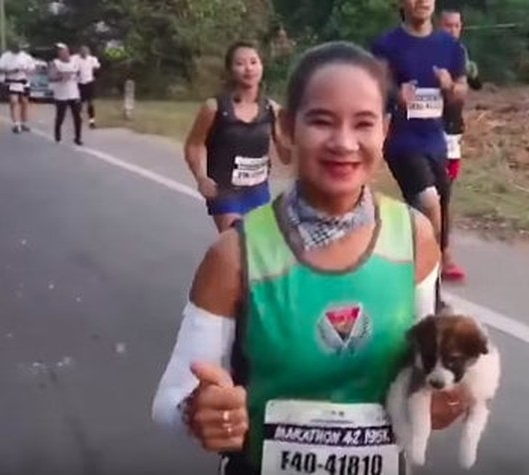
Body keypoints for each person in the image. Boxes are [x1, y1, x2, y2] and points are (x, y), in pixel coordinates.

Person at [151, 41, 468, 475]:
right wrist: (200, 411)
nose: (344, 142)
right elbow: (171, 401)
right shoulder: (235, 255)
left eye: (364, 123)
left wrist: (444, 396)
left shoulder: (415, 238)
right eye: (321, 121)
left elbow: (427, 368)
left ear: (385, 131)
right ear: (286, 128)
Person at [371, 0, 469, 294]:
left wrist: (451, 87)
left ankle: (406, 263)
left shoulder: (449, 47)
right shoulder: (386, 44)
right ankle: (430, 276)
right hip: (401, 140)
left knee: (439, 205)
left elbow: (461, 94)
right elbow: (375, 86)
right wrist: (393, 94)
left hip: (435, 140)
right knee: (429, 202)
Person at [183, 41, 287, 233]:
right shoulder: (214, 108)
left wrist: (298, 133)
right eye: (240, 63)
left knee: (258, 249)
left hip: (258, 191)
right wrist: (201, 177)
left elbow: (286, 156)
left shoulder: (272, 109)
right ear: (230, 70)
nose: (248, 68)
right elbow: (194, 144)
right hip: (225, 191)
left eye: (254, 62)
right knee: (238, 242)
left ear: (262, 66)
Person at [437, 7, 483, 282]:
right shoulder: (427, 51)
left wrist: (456, 86)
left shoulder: (461, 54)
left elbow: (469, 88)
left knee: (445, 195)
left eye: (456, 26)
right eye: (447, 26)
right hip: (426, 132)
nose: (452, 30)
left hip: (452, 134)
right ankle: (442, 254)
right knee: (430, 195)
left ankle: (440, 252)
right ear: (438, 26)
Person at [0, 42, 36, 134]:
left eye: (18, 47)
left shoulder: (26, 57)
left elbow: (32, 68)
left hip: (23, 81)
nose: (17, 48)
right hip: (11, 81)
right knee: (14, 101)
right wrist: (10, 70)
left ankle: (23, 122)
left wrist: (26, 70)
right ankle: (16, 124)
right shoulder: (5, 56)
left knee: (24, 102)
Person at [49, 43, 83, 145]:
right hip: (61, 95)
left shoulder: (74, 62)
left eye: (64, 52)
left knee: (77, 116)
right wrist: (61, 77)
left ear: (68, 52)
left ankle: (77, 137)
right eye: (60, 52)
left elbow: (79, 74)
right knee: (60, 116)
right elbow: (51, 76)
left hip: (74, 93)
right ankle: (58, 136)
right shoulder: (55, 63)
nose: (63, 54)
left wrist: (76, 75)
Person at [76, 45, 101, 129]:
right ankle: (78, 119)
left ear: (88, 52)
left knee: (90, 102)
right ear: (80, 52)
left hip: (89, 82)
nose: (84, 53)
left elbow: (97, 66)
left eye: (85, 51)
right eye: (82, 51)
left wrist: (93, 72)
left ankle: (92, 121)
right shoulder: (76, 59)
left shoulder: (92, 59)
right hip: (80, 83)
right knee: (79, 102)